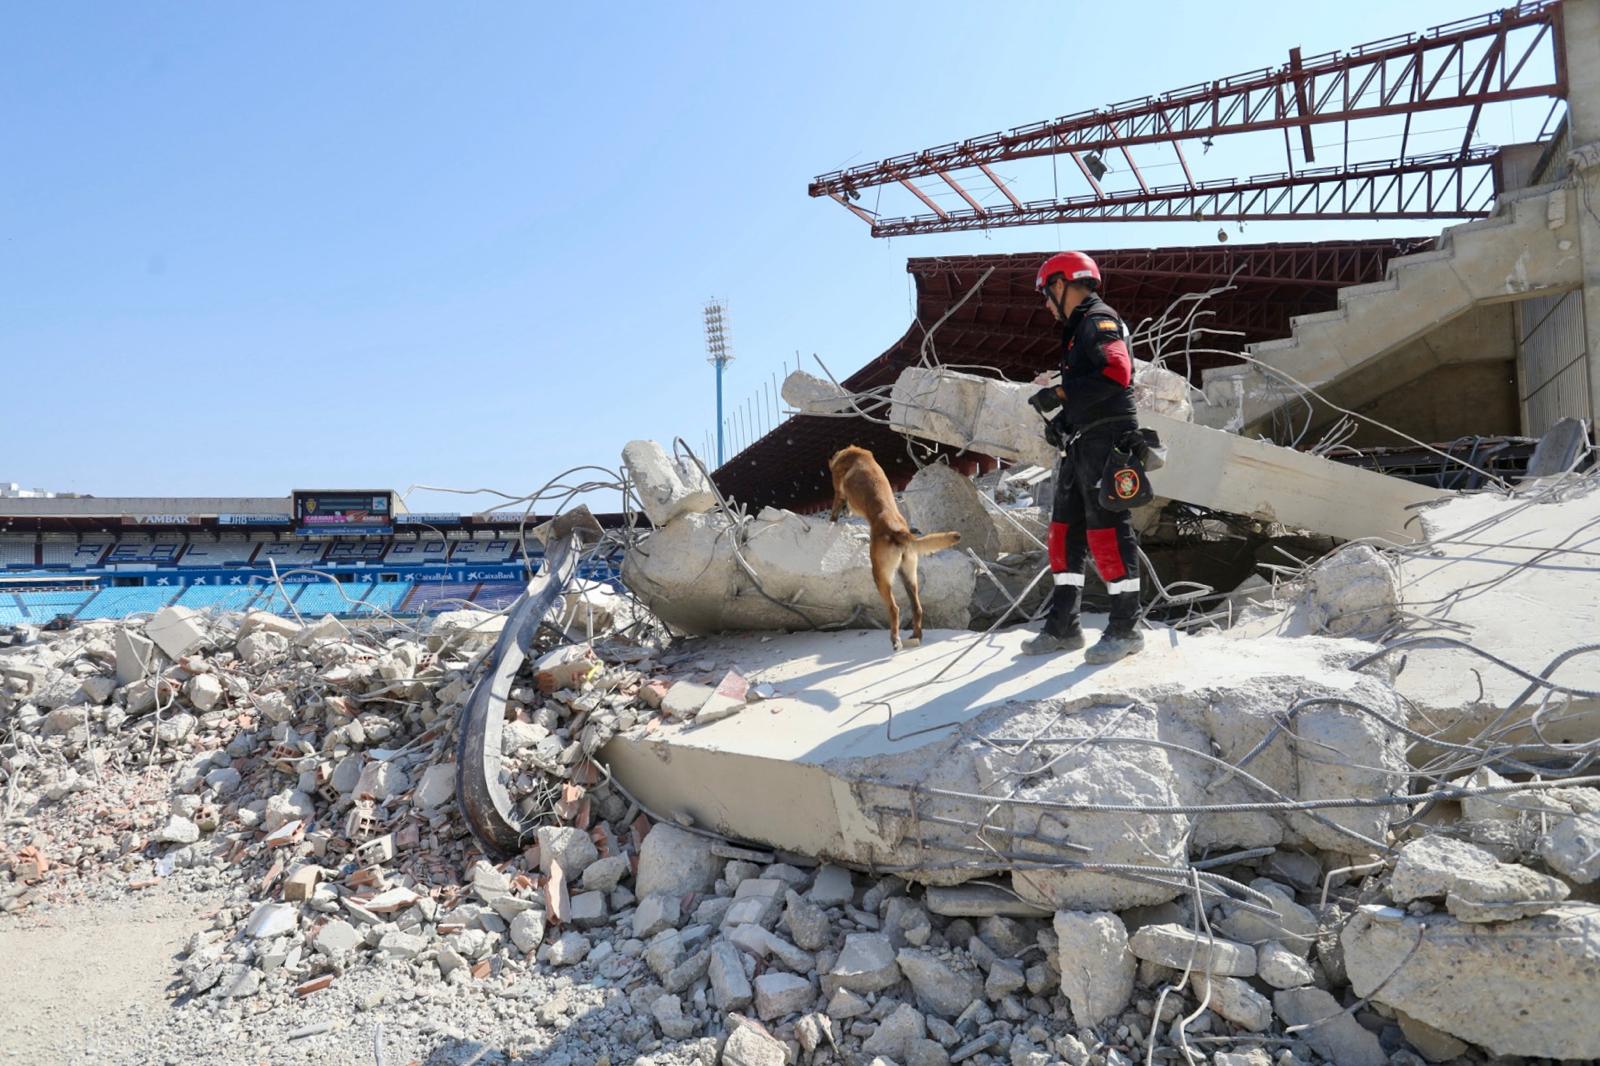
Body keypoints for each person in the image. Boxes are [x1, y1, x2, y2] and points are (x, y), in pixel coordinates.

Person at [1022, 251, 1145, 664]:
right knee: (1063, 532)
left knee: (1106, 529)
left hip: (1107, 439)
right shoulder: (1077, 332)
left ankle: (1127, 628)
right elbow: (1089, 386)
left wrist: (1058, 394)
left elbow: (1116, 372)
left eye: (1046, 293)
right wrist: (1064, 420)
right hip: (1084, 439)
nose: (1045, 304)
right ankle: (1063, 626)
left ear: (1062, 284)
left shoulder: (1097, 319)